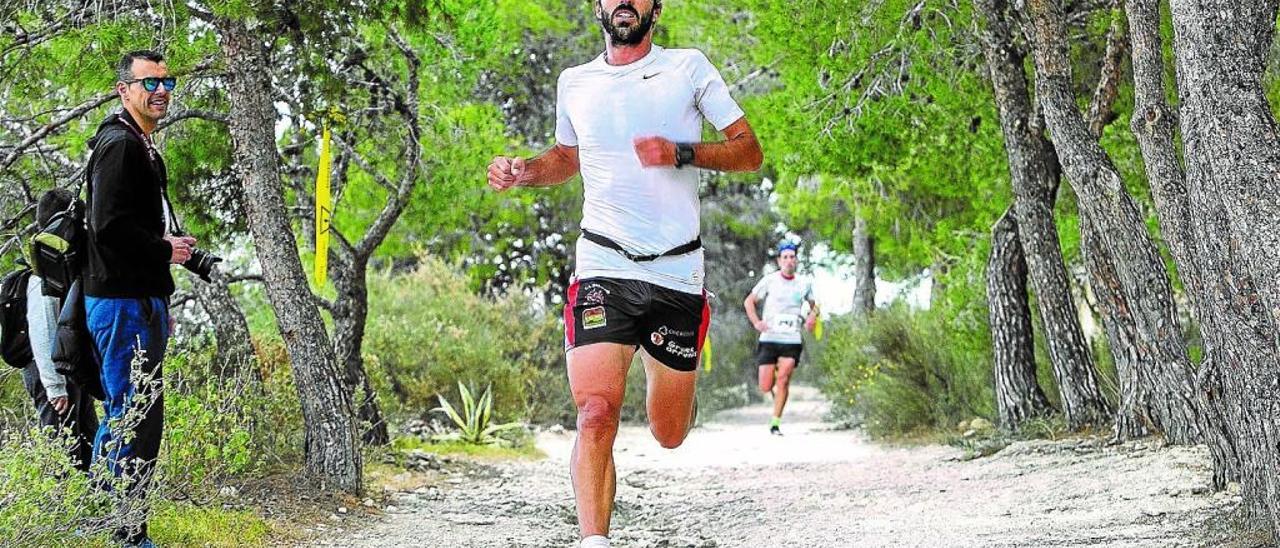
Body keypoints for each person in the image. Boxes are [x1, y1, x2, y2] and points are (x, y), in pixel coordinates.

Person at [487, 1, 763, 545]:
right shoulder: (576, 82)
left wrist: (680, 153)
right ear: (598, 6)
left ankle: (677, 392)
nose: (624, 3)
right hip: (602, 262)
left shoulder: (688, 68)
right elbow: (568, 158)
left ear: (655, 7)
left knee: (668, 432)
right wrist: (523, 171)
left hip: (677, 271)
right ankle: (595, 539)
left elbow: (748, 152)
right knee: (595, 413)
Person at [84, 49, 192, 548]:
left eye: (166, 82)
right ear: (123, 90)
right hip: (121, 301)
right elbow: (106, 227)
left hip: (141, 298)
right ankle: (118, 530)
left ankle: (126, 528)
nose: (160, 91)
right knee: (130, 414)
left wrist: (166, 273)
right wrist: (162, 250)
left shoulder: (143, 146)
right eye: (149, 84)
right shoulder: (118, 146)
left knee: (142, 417)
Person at [23, 190, 99, 471]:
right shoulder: (43, 273)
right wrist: (55, 387)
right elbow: (42, 331)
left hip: (71, 368)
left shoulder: (65, 267)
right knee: (62, 446)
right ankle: (63, 509)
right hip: (50, 373)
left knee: (88, 442)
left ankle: (93, 507)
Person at [743, 241, 818, 436]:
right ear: (779, 260)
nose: (789, 260)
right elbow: (749, 301)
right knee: (765, 385)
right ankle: (772, 377)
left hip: (791, 339)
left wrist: (811, 317)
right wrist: (756, 322)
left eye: (792, 257)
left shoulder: (804, 283)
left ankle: (775, 422)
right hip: (769, 337)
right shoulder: (770, 280)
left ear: (796, 260)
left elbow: (814, 305)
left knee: (784, 380)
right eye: (785, 257)